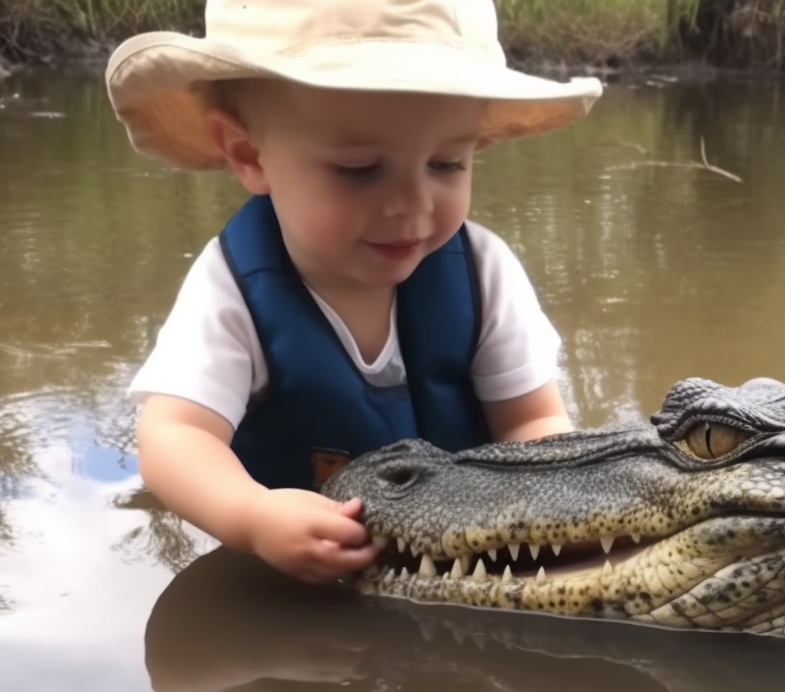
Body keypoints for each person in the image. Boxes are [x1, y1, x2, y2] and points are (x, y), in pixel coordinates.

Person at [105, 0, 603, 583]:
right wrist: (252, 516)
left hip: (465, 566)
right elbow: (175, 436)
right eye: (360, 169)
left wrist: (565, 511)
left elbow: (531, 421)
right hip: (293, 594)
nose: (414, 205)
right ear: (248, 154)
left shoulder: (483, 272)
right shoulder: (231, 290)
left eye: (446, 164)